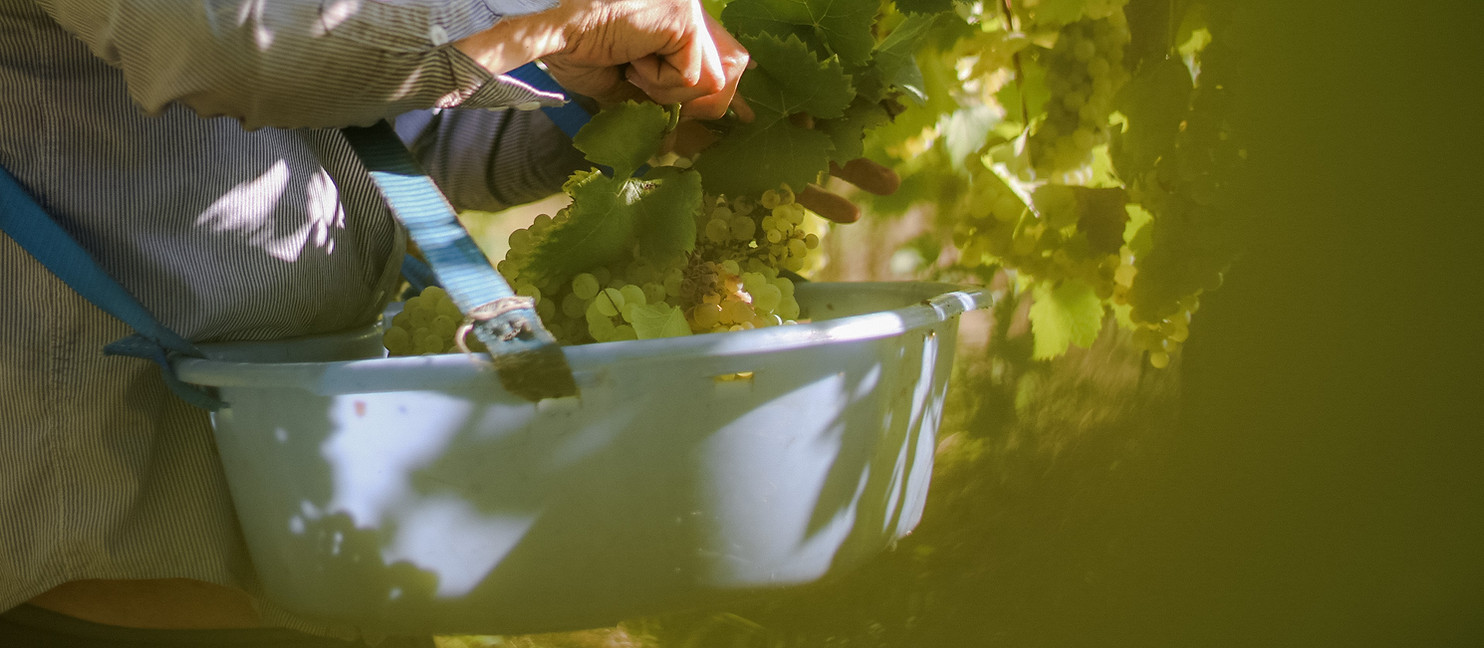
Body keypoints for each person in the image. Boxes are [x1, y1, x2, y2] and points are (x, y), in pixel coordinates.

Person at [0, 0, 750, 645]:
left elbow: (389, 124)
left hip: (345, 555)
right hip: (121, 579)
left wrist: (625, 102)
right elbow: (235, 43)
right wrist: (559, 19)